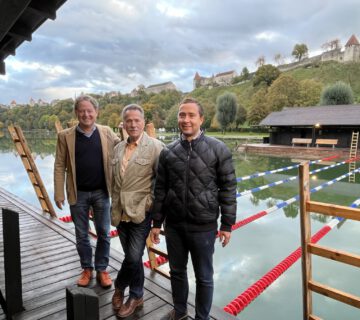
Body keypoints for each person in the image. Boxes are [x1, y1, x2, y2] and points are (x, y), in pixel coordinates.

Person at [150, 98, 237, 320]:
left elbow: (228, 188)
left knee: (204, 277)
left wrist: (227, 224)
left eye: (190, 115)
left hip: (204, 226)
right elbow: (160, 189)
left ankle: (202, 317)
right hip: (175, 225)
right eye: (182, 115)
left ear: (201, 119)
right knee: (177, 272)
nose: (185, 120)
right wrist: (157, 223)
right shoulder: (168, 152)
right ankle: (179, 312)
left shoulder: (218, 149)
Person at [54, 95, 120, 288]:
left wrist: (129, 131)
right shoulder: (65, 136)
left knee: (104, 233)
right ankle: (86, 269)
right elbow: (59, 165)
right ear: (76, 113)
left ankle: (102, 269)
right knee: (81, 234)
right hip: (78, 192)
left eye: (90, 110)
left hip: (102, 192)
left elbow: (123, 147)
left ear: (96, 112)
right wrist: (58, 192)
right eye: (82, 110)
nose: (86, 114)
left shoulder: (106, 132)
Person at [111, 104, 164, 318]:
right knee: (131, 257)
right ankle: (138, 295)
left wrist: (149, 203)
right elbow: (114, 180)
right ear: (123, 123)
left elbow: (160, 182)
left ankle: (121, 288)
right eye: (128, 120)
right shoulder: (117, 148)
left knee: (133, 257)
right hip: (119, 211)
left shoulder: (156, 147)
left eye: (136, 120)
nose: (132, 124)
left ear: (143, 122)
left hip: (141, 211)